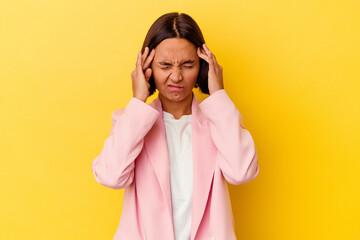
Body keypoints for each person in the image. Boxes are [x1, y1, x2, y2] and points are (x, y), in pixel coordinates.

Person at [92, 12, 259, 240]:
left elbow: (241, 173)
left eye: (188, 65)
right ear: (147, 68)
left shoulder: (220, 121)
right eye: (165, 65)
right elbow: (110, 176)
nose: (176, 76)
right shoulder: (130, 121)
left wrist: (218, 95)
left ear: (203, 67)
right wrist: (137, 100)